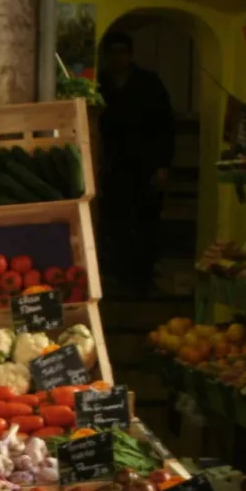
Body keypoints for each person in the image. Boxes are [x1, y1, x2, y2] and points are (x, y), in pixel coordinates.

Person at [97, 30, 175, 293]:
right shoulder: (99, 85)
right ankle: (116, 276)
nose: (117, 58)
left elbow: (165, 125)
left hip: (146, 163)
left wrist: (163, 165)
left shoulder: (149, 83)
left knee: (147, 221)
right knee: (114, 221)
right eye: (112, 52)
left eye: (122, 52)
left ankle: (142, 278)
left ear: (129, 54)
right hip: (112, 165)